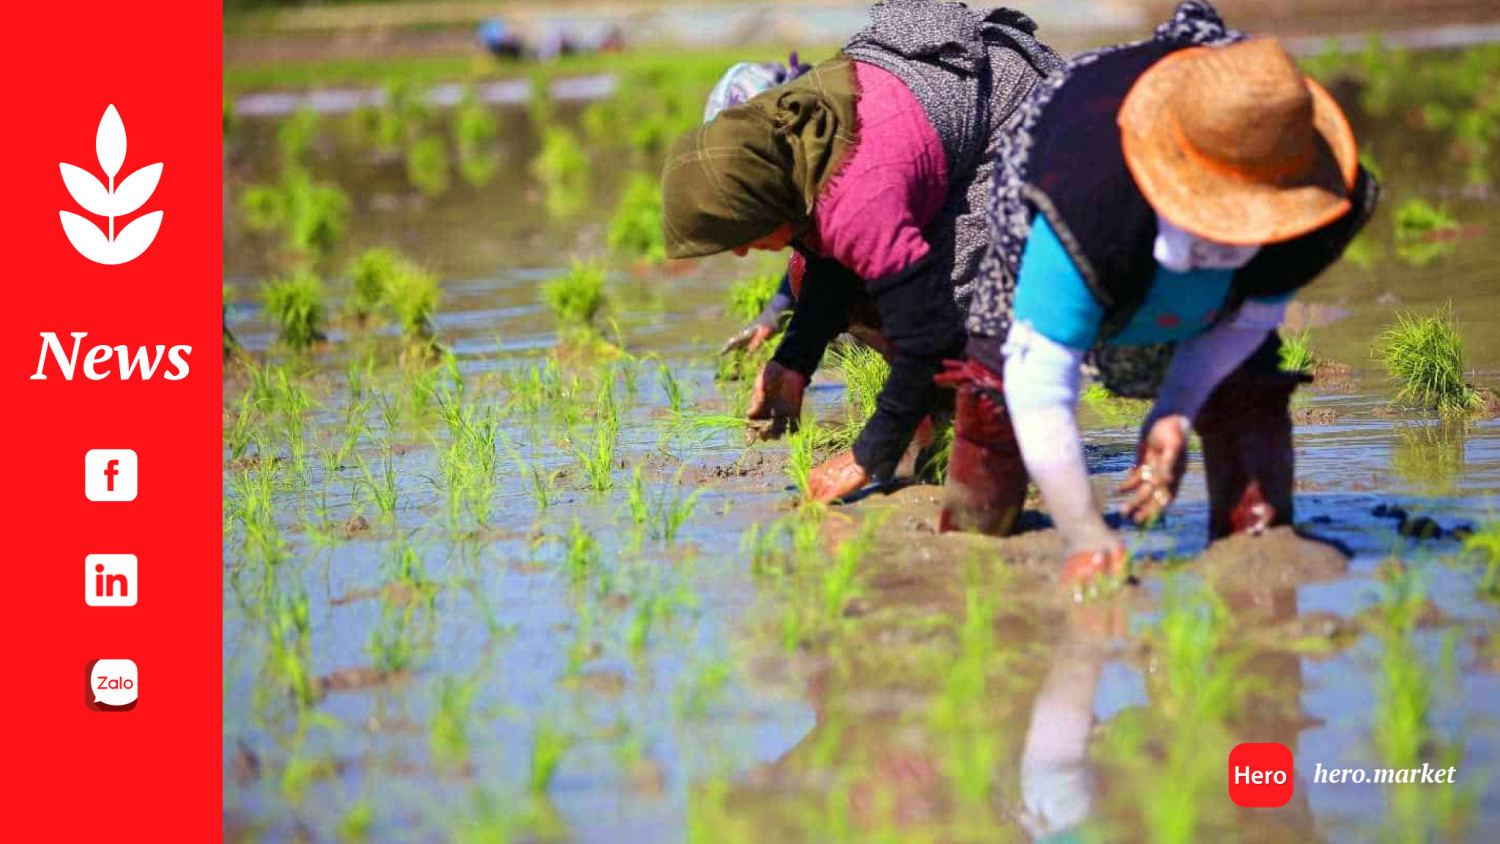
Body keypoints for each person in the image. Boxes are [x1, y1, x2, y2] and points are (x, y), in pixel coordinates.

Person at [949, 2, 1378, 589]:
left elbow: (1249, 318)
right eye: (1223, 217)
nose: (1240, 231)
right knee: (996, 395)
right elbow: (1041, 379)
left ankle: (1255, 571)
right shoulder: (1087, 200)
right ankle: (971, 541)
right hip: (1064, 161)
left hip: (1210, 149)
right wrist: (1084, 534)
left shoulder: (1318, 195)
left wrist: (1176, 409)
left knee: (1247, 391)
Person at [663, 0, 1062, 500]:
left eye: (737, 234)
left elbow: (928, 334)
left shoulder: (856, 192)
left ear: (761, 199)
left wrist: (866, 455)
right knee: (818, 274)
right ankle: (931, 423)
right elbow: (834, 259)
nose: (740, 254)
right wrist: (794, 361)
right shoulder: (801, 144)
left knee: (962, 314)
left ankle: (1000, 449)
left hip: (1016, 117)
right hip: (935, 118)